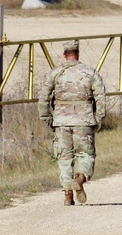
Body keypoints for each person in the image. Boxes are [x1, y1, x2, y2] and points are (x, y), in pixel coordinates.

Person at [38, 39, 106, 206]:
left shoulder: (55, 74)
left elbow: (43, 98)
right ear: (78, 53)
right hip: (84, 120)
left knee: (64, 157)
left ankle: (68, 195)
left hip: (61, 121)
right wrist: (99, 118)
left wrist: (47, 118)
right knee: (85, 154)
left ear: (64, 55)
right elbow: (100, 97)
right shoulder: (90, 73)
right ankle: (80, 178)